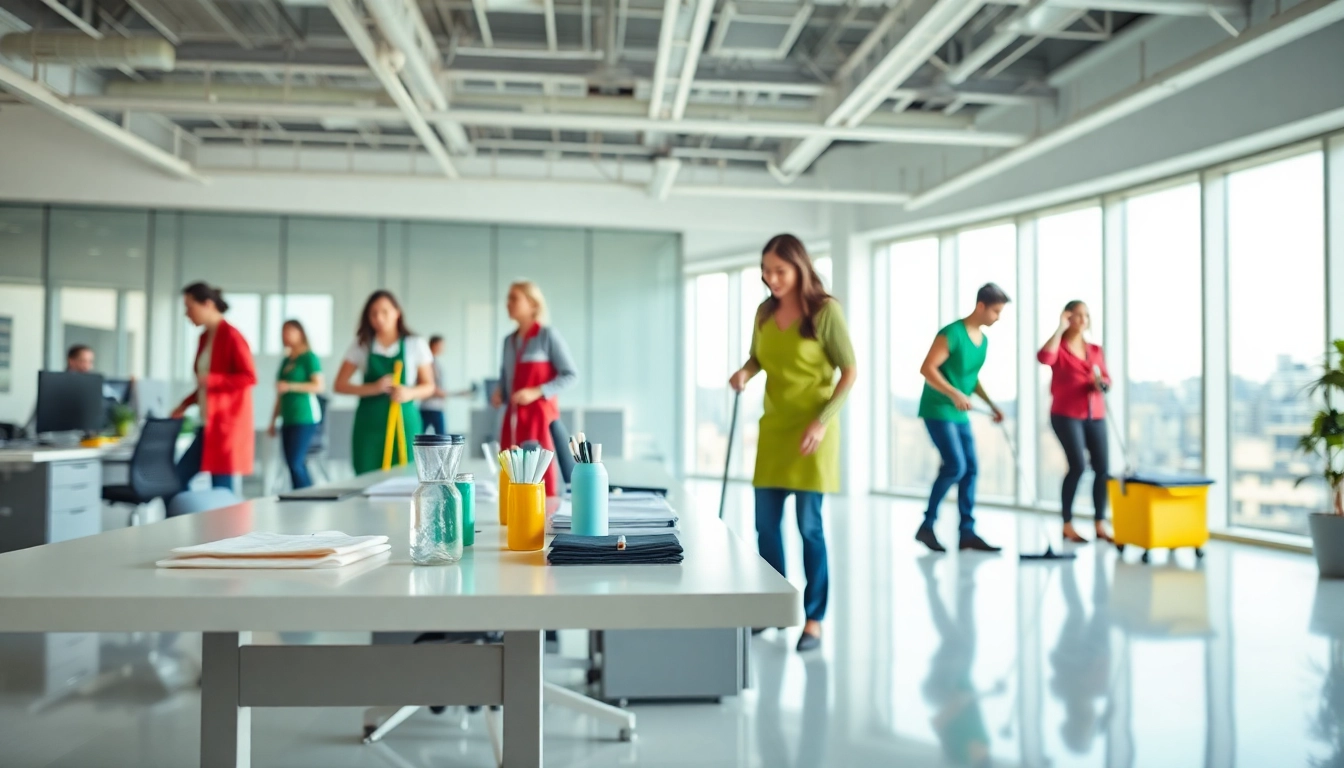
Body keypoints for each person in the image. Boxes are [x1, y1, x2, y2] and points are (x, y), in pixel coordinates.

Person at [728, 234, 857, 653]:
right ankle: (773, 610)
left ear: (800, 267)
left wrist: (822, 422)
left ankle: (814, 618)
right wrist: (745, 373)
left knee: (809, 527)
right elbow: (759, 358)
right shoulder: (765, 312)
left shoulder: (825, 312)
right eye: (766, 271)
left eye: (779, 271)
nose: (771, 279)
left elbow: (850, 371)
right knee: (766, 526)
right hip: (775, 429)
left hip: (812, 433)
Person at [915, 283, 1009, 554]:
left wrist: (992, 405)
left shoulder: (983, 341)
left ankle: (966, 532)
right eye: (995, 311)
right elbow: (927, 368)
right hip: (938, 409)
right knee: (955, 465)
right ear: (981, 306)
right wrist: (954, 392)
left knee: (970, 468)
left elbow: (971, 377)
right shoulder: (952, 334)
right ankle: (927, 525)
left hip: (958, 413)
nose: (998, 317)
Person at [490, 281, 577, 497]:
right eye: (508, 298)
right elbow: (505, 378)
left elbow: (570, 375)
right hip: (513, 421)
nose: (507, 303)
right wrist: (500, 391)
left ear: (532, 303)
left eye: (514, 298)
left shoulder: (547, 335)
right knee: (512, 472)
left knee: (539, 475)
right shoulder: (508, 342)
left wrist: (537, 391)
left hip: (540, 420)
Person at [334, 290, 435, 475]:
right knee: (366, 476)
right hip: (369, 424)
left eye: (384, 312)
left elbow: (429, 386)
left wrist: (409, 393)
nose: (379, 318)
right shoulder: (361, 344)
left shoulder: (415, 343)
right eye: (373, 313)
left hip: (404, 422)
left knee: (405, 477)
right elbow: (339, 385)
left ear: (397, 312)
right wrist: (374, 388)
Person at [170, 282, 257, 498]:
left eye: (190, 307)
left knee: (220, 489)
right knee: (177, 480)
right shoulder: (204, 338)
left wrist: (214, 380)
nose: (186, 313)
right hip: (208, 424)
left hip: (225, 424)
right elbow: (203, 385)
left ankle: (224, 531)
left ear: (207, 304)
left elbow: (249, 376)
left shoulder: (232, 336)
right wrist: (184, 404)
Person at [1038, 301, 1114, 543]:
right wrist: (1059, 328)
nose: (1083, 320)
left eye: (1086, 316)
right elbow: (1044, 357)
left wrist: (1100, 384)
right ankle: (1067, 524)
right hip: (1066, 415)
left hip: (1095, 414)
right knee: (1078, 466)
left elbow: (1107, 379)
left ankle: (1100, 523)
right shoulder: (1059, 347)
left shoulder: (1095, 350)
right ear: (1068, 317)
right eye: (1077, 315)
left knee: (1103, 469)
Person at [268, 320, 324, 490]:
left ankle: (307, 497)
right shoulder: (286, 361)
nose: (286, 335)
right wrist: (273, 421)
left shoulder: (309, 357)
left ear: (300, 333)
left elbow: (319, 386)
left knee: (295, 461)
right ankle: (301, 495)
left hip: (305, 417)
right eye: (283, 331)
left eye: (290, 331)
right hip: (288, 417)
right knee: (291, 463)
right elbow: (280, 395)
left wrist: (291, 386)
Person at [420, 335, 474, 435]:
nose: (443, 349)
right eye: (441, 345)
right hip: (430, 408)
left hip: (436, 407)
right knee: (441, 439)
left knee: (439, 438)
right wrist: (453, 394)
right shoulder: (429, 363)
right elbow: (432, 388)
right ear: (433, 345)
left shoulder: (435, 362)